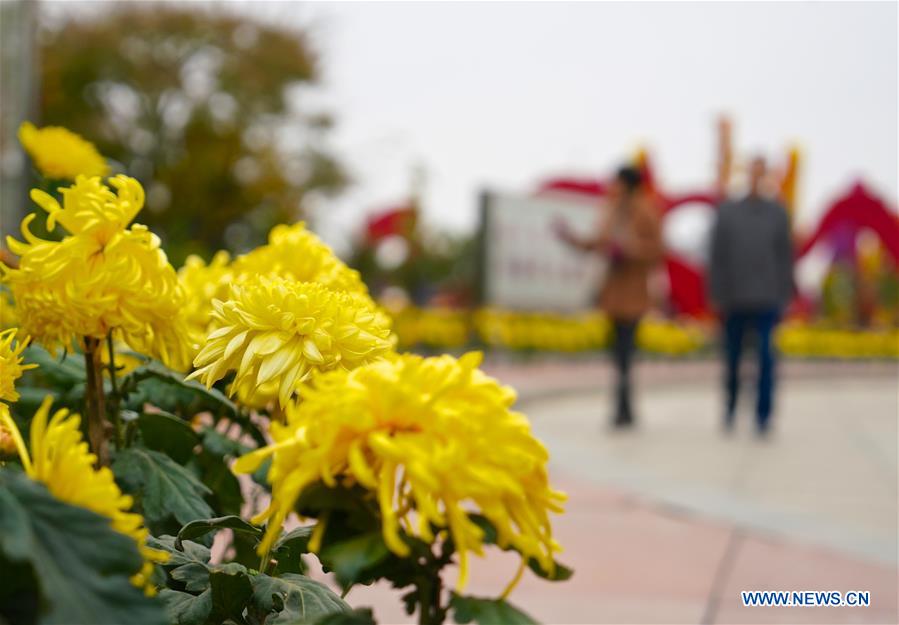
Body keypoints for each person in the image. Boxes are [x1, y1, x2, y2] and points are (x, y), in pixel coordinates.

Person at [555, 166, 663, 429]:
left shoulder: (647, 211)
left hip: (634, 292)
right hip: (612, 293)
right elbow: (596, 243)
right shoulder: (611, 210)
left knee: (626, 352)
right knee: (616, 353)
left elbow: (657, 251)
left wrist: (628, 249)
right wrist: (570, 239)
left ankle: (624, 409)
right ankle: (622, 407)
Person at [708, 156, 794, 437]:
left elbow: (785, 257)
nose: (756, 179)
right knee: (732, 358)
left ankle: (763, 415)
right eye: (752, 173)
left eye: (761, 173)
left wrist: (784, 293)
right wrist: (717, 293)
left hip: (767, 298)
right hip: (734, 298)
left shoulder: (778, 213)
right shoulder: (728, 211)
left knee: (766, 358)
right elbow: (717, 256)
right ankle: (731, 406)